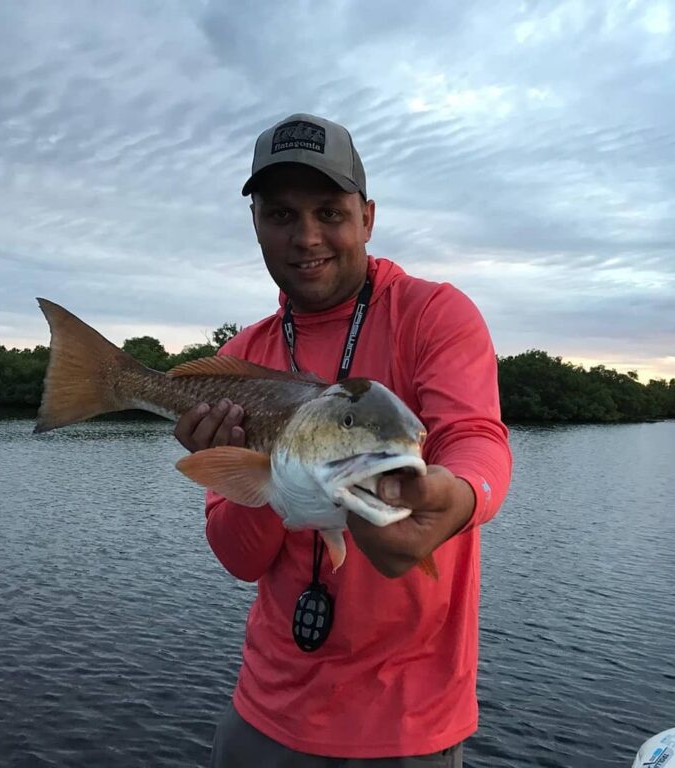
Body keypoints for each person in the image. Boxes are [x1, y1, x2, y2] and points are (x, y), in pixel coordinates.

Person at [174, 113, 513, 767]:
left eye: (329, 211)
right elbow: (240, 560)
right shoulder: (242, 357)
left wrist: (462, 495)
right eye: (280, 215)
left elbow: (474, 436)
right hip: (264, 711)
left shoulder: (434, 315)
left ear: (368, 217)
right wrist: (244, 471)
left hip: (409, 727)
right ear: (255, 224)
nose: (306, 237)